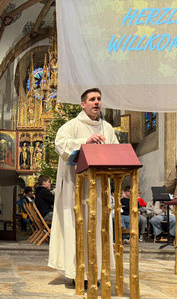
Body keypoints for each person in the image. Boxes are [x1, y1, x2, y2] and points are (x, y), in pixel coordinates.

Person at [48, 88, 119, 285]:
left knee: (98, 228)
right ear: (83, 104)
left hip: (99, 188)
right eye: (92, 99)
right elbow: (61, 144)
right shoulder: (71, 126)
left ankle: (96, 273)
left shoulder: (107, 128)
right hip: (76, 188)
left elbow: (115, 151)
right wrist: (84, 142)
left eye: (99, 99)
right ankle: (77, 272)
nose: (96, 102)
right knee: (78, 226)